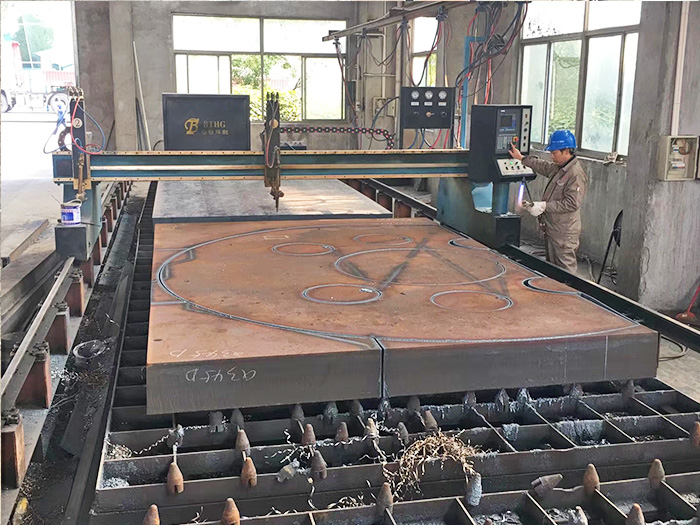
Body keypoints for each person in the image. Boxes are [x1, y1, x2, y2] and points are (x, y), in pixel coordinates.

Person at [509, 129, 588, 274]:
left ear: (566, 151)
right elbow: (543, 166)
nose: (552, 156)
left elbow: (572, 203)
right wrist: (522, 158)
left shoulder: (575, 175)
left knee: (565, 273)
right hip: (553, 229)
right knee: (553, 271)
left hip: (564, 233)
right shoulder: (560, 168)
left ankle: (566, 290)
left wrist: (544, 206)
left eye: (554, 153)